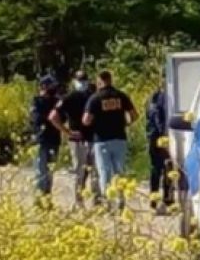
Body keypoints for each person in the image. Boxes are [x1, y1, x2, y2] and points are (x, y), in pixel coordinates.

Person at [82, 70, 138, 208]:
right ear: (110, 80)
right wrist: (126, 123)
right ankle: (121, 200)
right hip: (119, 138)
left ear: (99, 81)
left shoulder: (95, 98)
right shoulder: (121, 96)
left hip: (101, 140)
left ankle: (108, 201)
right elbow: (134, 115)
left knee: (104, 172)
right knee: (119, 170)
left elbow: (86, 120)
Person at [49, 71, 98, 206]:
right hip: (79, 139)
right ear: (74, 81)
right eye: (80, 80)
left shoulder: (92, 96)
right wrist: (67, 132)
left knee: (93, 172)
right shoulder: (70, 97)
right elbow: (53, 116)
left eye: (83, 80)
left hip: (91, 138)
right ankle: (80, 201)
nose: (82, 83)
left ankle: (95, 202)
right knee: (81, 172)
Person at [30, 75, 62, 202]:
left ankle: (47, 200)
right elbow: (36, 119)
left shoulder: (57, 101)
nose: (53, 89)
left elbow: (63, 117)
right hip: (40, 140)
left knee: (50, 173)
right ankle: (39, 201)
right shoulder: (36, 101)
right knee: (40, 172)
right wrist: (52, 118)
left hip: (54, 140)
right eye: (50, 86)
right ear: (43, 86)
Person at [146, 85, 171, 211]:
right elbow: (158, 118)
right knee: (165, 167)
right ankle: (166, 198)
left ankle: (155, 199)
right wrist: (163, 135)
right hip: (160, 137)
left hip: (153, 136)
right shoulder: (163, 98)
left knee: (157, 168)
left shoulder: (154, 97)